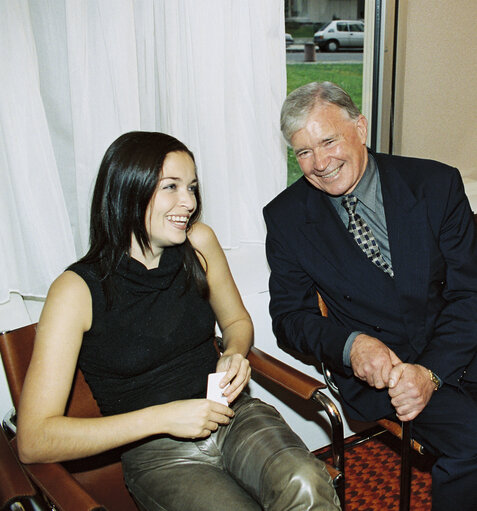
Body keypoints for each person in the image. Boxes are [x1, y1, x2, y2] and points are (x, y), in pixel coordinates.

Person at [16, 131, 340, 511]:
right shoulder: (76, 291)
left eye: (192, 187)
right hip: (157, 452)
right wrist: (163, 418)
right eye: (171, 186)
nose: (188, 202)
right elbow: (34, 439)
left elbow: (236, 321)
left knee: (306, 483)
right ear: (127, 190)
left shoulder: (199, 243)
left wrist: (235, 353)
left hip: (232, 417)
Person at [263, 81, 477, 511]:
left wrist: (431, 372)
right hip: (386, 375)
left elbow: (470, 290)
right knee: (473, 442)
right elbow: (289, 317)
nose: (320, 163)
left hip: (459, 343)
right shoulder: (286, 217)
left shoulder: (435, 184)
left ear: (360, 128)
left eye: (328, 141)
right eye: (303, 152)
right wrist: (350, 344)